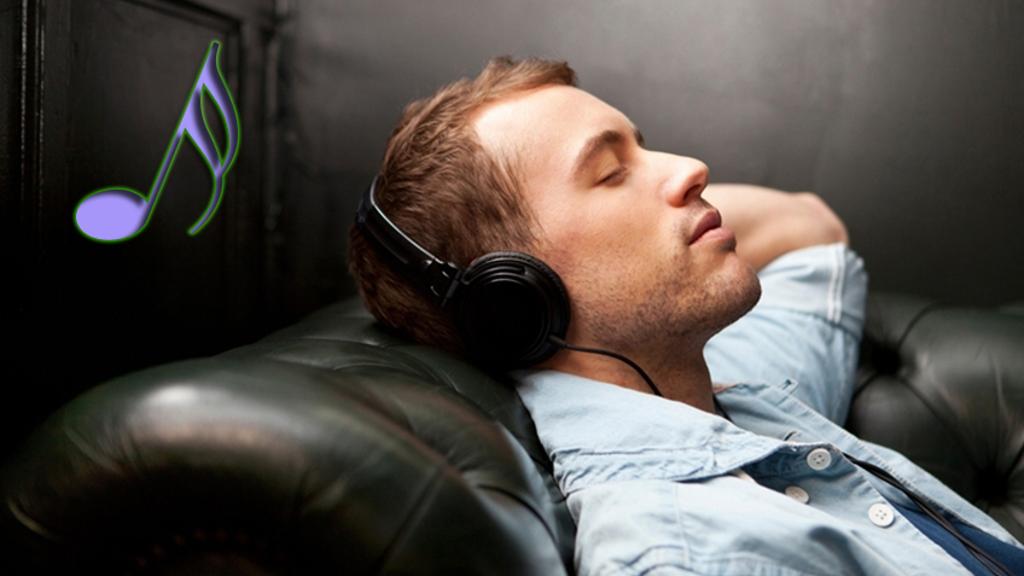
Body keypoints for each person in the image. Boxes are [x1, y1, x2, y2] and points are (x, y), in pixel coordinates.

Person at [347, 56, 1024, 575]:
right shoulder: (696, 552)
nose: (692, 168)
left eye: (642, 147)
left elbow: (808, 230)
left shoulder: (700, 391)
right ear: (515, 302)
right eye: (610, 172)